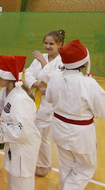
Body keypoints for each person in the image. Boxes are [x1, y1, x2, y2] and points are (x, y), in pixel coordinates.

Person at [45, 39, 105, 190]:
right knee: (86, 167)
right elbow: (103, 113)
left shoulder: (55, 79)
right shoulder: (89, 84)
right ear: (84, 62)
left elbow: (49, 99)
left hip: (58, 128)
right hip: (80, 134)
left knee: (66, 165)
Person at [0, 55, 41, 190]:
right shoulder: (5, 92)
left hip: (23, 149)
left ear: (6, 77)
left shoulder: (20, 99)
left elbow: (22, 131)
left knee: (21, 185)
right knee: (13, 183)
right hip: (14, 147)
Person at [24, 29, 65, 177]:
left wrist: (43, 61)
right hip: (34, 98)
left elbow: (56, 81)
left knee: (42, 136)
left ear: (60, 44)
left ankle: (46, 164)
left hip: (48, 103)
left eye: (51, 44)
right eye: (46, 43)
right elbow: (27, 73)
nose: (47, 46)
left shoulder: (62, 62)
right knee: (34, 133)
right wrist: (37, 84)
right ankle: (35, 159)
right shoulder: (40, 58)